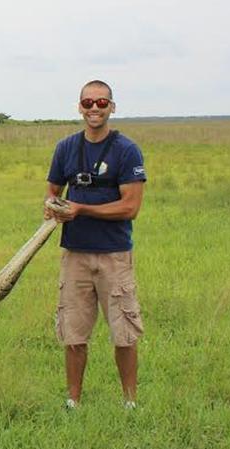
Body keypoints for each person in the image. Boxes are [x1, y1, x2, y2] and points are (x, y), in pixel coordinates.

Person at [44, 80, 147, 410]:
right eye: (88, 102)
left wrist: (81, 208)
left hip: (114, 255)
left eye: (102, 103)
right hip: (75, 254)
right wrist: (53, 206)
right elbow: (52, 193)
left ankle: (129, 403)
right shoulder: (66, 148)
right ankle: (73, 401)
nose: (94, 108)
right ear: (79, 106)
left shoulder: (126, 150)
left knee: (124, 332)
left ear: (112, 107)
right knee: (73, 333)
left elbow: (130, 206)